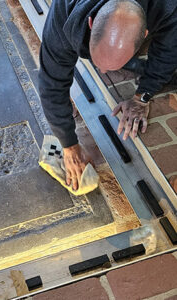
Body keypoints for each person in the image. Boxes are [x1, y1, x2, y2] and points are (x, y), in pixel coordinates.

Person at [39, 0, 177, 191]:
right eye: (98, 62)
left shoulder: (168, 7)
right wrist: (69, 145)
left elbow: (167, 53)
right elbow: (51, 82)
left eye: (110, 67)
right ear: (90, 22)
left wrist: (142, 97)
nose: (102, 71)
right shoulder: (65, 10)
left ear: (145, 34)